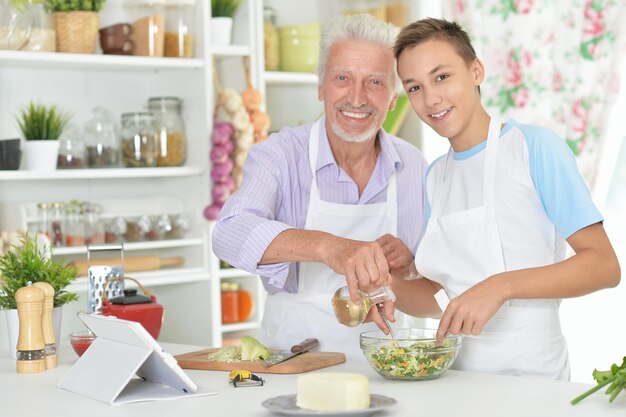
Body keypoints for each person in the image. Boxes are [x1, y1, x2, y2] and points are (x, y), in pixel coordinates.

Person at [391, 18, 621, 379]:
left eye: (441, 77)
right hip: (457, 378)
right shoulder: (435, 176)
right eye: (414, 87)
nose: (430, 98)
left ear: (476, 70)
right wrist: (384, 288)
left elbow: (604, 266)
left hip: (532, 379)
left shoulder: (534, 148)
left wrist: (501, 286)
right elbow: (439, 295)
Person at [212, 14, 428, 360]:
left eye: (374, 82)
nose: (356, 98)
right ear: (321, 87)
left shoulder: (414, 166)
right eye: (342, 78)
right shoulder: (280, 155)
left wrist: (411, 265)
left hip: (387, 363)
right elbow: (229, 232)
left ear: (392, 98)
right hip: (293, 362)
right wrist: (330, 248)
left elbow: (437, 278)